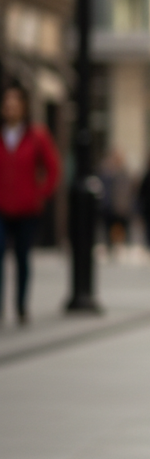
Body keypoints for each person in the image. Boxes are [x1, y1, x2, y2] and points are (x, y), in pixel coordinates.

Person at [0, 82, 60, 324]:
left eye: (15, 104)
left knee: (23, 258)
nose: (10, 108)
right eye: (7, 104)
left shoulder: (37, 136)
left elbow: (53, 168)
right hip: (1, 208)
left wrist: (40, 193)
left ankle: (21, 306)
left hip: (27, 209)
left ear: (24, 107)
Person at [99, 150, 133, 254]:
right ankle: (111, 245)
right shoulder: (107, 172)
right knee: (109, 227)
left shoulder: (124, 173)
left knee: (122, 226)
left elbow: (128, 191)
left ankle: (121, 245)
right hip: (109, 205)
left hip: (121, 205)